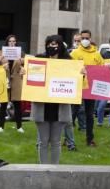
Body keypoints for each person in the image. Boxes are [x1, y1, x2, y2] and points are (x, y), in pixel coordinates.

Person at [30, 35, 76, 165]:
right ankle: (43, 168)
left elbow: (76, 84)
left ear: (60, 46)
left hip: (59, 108)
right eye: (49, 44)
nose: (52, 47)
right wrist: (24, 73)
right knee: (43, 141)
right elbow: (30, 80)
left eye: (55, 44)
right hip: (42, 107)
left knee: (56, 141)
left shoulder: (68, 62)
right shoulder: (39, 59)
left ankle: (55, 168)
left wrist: (81, 75)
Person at [71, 29, 104, 146]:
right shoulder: (74, 54)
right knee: (72, 113)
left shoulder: (97, 54)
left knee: (90, 114)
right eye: (83, 38)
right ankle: (68, 139)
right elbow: (70, 69)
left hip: (91, 89)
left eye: (87, 38)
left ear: (90, 39)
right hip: (78, 88)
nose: (85, 40)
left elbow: (102, 71)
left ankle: (90, 139)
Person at [3, 36, 26, 134]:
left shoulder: (20, 53)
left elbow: (26, 65)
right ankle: (1, 126)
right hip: (6, 80)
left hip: (16, 82)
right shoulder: (2, 53)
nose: (12, 43)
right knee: (3, 104)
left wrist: (22, 61)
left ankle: (19, 126)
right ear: (7, 42)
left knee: (17, 105)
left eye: (14, 41)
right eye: (10, 41)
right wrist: (3, 65)